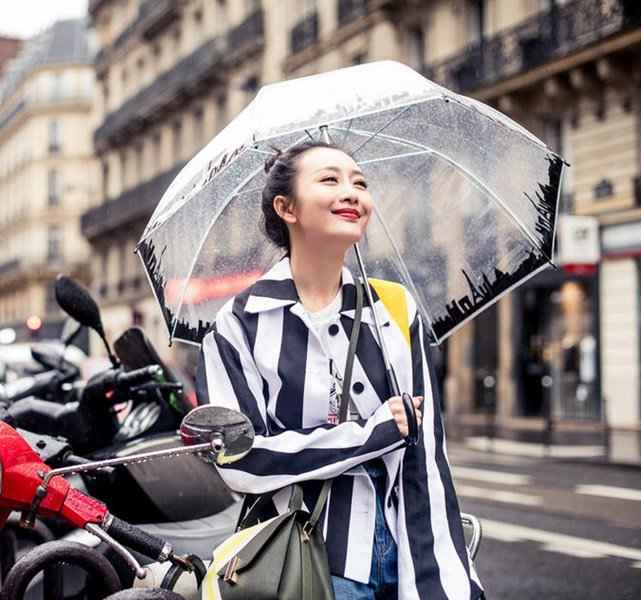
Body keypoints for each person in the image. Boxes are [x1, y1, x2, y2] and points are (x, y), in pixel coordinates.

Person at [196, 141, 484, 599]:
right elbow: (239, 460)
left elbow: (426, 455)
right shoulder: (238, 324)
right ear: (286, 207)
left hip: (407, 556)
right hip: (307, 560)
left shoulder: (393, 308)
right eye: (330, 180)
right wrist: (366, 436)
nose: (352, 193)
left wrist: (449, 580)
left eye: (360, 183)